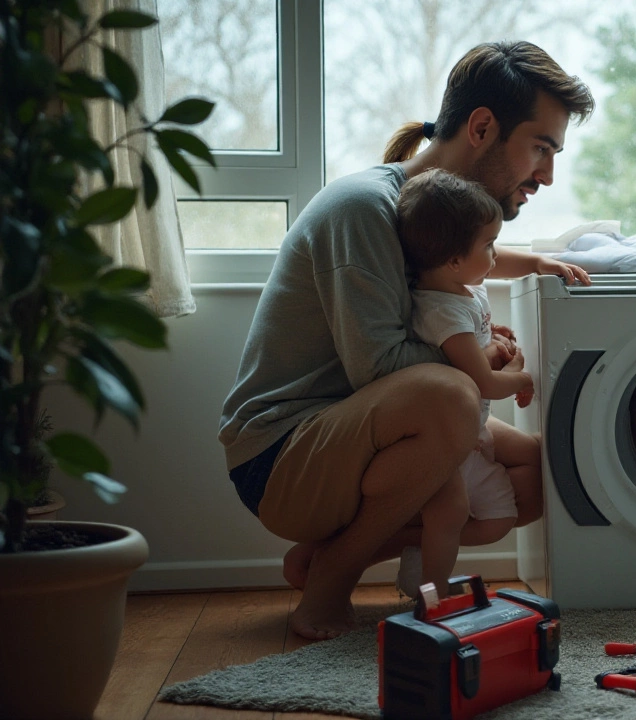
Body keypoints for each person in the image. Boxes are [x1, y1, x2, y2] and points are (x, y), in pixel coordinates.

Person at [219, 41, 594, 640]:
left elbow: (459, 258)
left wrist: (539, 265)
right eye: (542, 148)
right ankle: (329, 586)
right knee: (451, 395)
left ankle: (327, 555)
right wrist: (483, 357)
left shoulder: (433, 221)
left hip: (357, 434)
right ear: (481, 127)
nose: (547, 174)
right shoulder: (364, 208)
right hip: (279, 456)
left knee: (541, 473)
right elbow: (382, 367)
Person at [393, 168, 577, 597]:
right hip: (445, 435)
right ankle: (431, 594)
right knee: (451, 512)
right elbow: (483, 385)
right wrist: (522, 376)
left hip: (470, 427)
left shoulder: (465, 286)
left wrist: (492, 339)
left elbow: (469, 349)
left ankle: (418, 557)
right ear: (455, 259)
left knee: (500, 514)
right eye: (489, 245)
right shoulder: (442, 310)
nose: (496, 255)